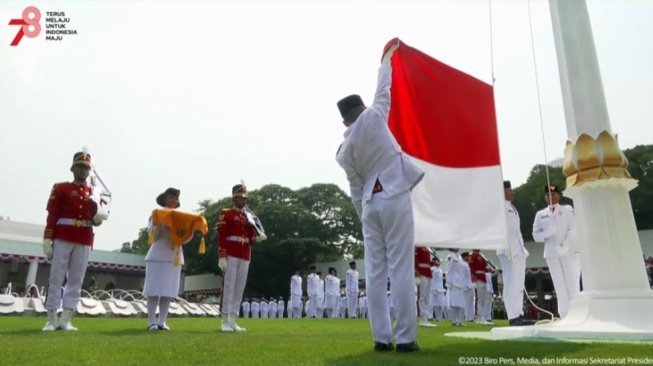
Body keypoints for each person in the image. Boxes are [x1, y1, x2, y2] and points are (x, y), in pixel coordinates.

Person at [335, 39, 423, 353]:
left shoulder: (344, 150)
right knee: (400, 267)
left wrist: (364, 216)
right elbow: (384, 90)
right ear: (362, 110)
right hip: (394, 191)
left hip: (370, 205)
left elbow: (355, 189)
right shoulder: (373, 117)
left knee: (375, 272)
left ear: (345, 121)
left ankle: (381, 338)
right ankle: (407, 338)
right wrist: (385, 60)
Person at [42, 151, 107, 331]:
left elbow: (96, 219)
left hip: (84, 236)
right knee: (56, 277)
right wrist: (47, 238)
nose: (83, 170)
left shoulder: (94, 192)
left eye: (86, 167)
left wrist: (99, 217)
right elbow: (52, 215)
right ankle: (51, 319)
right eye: (80, 166)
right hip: (63, 234)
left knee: (76, 280)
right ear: (73, 168)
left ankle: (66, 319)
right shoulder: (60, 188)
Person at [217, 183, 267, 332]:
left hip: (245, 253)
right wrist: (222, 257)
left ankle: (233, 319)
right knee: (229, 286)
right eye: (241, 198)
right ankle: (224, 320)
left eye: (245, 198)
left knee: (239, 288)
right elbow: (222, 236)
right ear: (234, 198)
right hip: (231, 253)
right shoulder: (226, 214)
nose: (244, 201)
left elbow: (250, 236)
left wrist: (256, 239)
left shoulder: (248, 216)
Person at [532, 184, 580, 319]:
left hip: (568, 251)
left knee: (572, 282)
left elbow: (574, 229)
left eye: (553, 194)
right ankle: (564, 314)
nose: (550, 197)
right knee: (559, 284)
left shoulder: (567, 210)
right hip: (551, 253)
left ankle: (576, 312)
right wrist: (547, 233)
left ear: (559, 195)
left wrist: (565, 245)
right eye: (547, 195)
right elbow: (536, 235)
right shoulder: (541, 215)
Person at [143, 187, 187, 331]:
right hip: (158, 255)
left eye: (176, 198)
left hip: (174, 256)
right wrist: (161, 224)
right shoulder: (156, 214)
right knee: (154, 290)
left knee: (168, 292)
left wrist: (188, 230)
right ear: (164, 199)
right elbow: (152, 237)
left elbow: (184, 239)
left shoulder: (181, 216)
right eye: (170, 197)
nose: (173, 200)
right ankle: (151, 322)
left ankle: (162, 321)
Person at [498, 180, 535, 326]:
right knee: (511, 283)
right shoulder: (500, 208)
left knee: (519, 284)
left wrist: (521, 249)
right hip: (507, 251)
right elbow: (502, 230)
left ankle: (519, 313)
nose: (512, 192)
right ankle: (512, 316)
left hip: (518, 250)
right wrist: (507, 247)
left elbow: (517, 232)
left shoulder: (512, 208)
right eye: (509, 190)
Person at [469, 250, 492, 325]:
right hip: (477, 278)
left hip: (483, 277)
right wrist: (473, 278)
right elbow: (471, 267)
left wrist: (488, 269)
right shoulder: (473, 255)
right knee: (479, 299)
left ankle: (483, 316)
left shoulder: (481, 256)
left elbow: (483, 267)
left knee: (484, 298)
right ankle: (479, 316)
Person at [414, 247, 435, 327]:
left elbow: (426, 262)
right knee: (421, 296)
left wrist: (433, 263)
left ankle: (426, 317)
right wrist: (416, 272)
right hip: (421, 272)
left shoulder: (427, 248)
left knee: (427, 297)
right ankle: (421, 318)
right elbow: (415, 260)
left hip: (428, 272)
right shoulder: (418, 247)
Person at [446, 249, 467, 327]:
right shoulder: (450, 256)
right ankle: (455, 320)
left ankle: (459, 320)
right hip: (453, 282)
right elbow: (449, 270)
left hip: (460, 282)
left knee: (460, 303)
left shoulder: (459, 257)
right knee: (454, 303)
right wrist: (448, 282)